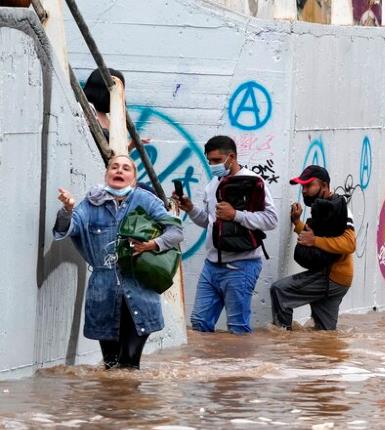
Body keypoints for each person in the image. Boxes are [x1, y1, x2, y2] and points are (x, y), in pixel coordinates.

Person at [53, 155, 183, 369]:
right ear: (107, 175)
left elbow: (176, 231)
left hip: (139, 292)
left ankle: (128, 400)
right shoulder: (91, 204)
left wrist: (151, 244)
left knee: (129, 365)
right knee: (110, 365)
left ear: (133, 178)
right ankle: (113, 403)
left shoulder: (146, 200)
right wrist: (68, 209)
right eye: (114, 167)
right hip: (103, 293)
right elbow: (67, 228)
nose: (119, 171)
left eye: (125, 168)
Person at [175, 135, 278, 334]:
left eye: (216, 160)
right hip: (211, 265)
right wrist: (190, 208)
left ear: (231, 157)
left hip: (242, 265)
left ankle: (242, 365)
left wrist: (236, 215)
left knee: (237, 328)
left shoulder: (254, 182)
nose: (213, 165)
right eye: (209, 161)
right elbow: (209, 222)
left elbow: (271, 220)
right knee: (199, 323)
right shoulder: (213, 184)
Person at [270, 166, 356, 330]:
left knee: (280, 291)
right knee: (324, 336)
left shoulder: (340, 209)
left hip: (331, 275)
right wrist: (297, 223)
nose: (304, 191)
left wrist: (314, 240)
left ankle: (283, 342)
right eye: (302, 187)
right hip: (339, 278)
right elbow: (320, 236)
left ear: (324, 185)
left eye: (309, 185)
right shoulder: (325, 208)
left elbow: (349, 244)